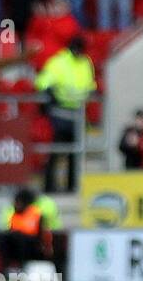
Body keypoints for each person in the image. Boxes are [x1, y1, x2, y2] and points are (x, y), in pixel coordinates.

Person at [34, 34, 96, 192]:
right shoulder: (58, 62)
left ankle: (72, 186)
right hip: (60, 111)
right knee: (56, 151)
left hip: (78, 113)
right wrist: (50, 92)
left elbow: (89, 84)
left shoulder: (85, 62)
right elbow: (42, 82)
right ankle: (49, 186)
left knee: (75, 154)